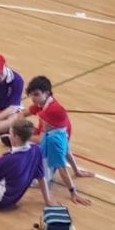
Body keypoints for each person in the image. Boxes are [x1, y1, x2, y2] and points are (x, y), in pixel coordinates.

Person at [24, 75, 93, 206]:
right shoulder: (62, 132)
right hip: (43, 158)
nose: (42, 121)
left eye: (45, 120)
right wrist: (77, 171)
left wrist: (73, 191)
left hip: (40, 174)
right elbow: (67, 152)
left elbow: (62, 169)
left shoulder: (53, 140)